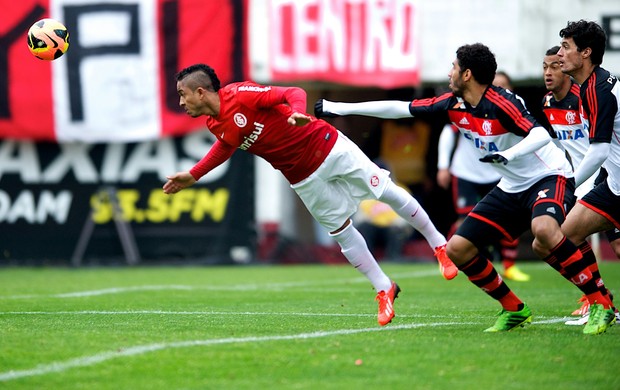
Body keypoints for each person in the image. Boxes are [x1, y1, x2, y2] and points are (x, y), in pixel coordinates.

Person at [315, 43, 615, 334]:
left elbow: (539, 134)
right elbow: (399, 108)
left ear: (467, 74)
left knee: (545, 231)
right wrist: (338, 107)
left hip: (549, 175)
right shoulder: (453, 103)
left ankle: (601, 303)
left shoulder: (501, 102)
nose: (449, 74)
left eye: (454, 68)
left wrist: (508, 155)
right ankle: (514, 309)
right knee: (457, 249)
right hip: (511, 185)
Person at [162, 64, 458, 327]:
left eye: (182, 94)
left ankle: (439, 245)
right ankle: (384, 287)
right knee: (341, 231)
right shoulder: (215, 123)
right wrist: (195, 174)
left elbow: (292, 91)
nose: (181, 101)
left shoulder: (239, 94)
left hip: (328, 147)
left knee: (386, 191)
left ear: (200, 92)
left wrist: (298, 114)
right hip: (302, 177)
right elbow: (227, 144)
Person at [436, 71, 530, 282]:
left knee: (509, 220)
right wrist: (443, 166)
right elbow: (448, 133)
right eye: (495, 85)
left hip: (500, 173)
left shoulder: (514, 110)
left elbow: (533, 137)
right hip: (466, 172)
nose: (499, 90)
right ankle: (449, 255)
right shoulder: (470, 107)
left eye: (504, 86)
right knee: (464, 219)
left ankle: (509, 267)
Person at [556, 20, 620, 330]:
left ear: (586, 53)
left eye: (566, 47)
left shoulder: (597, 88)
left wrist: (567, 187)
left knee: (561, 238)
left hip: (615, 184)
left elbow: (597, 150)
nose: (559, 54)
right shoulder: (592, 86)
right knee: (564, 236)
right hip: (613, 183)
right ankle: (602, 303)